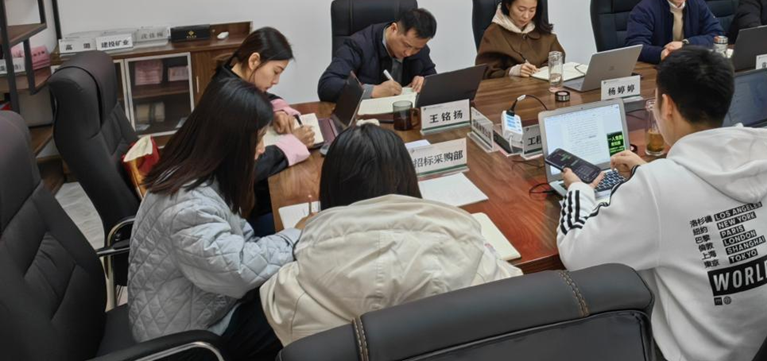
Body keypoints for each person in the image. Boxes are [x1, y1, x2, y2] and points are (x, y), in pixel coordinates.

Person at [556, 47, 767, 361]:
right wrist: (647, 174)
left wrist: (578, 190)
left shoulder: (658, 186)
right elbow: (695, 191)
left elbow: (577, 253)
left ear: (667, 106)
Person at [260, 124, 521, 345]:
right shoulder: (472, 253)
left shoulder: (291, 286)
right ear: (408, 177)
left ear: (330, 187)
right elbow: (515, 298)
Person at [129, 77, 308, 361]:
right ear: (230, 143)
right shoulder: (187, 204)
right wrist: (294, 236)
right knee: (303, 309)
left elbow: (236, 239)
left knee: (293, 284)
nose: (262, 149)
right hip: (187, 342)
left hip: (200, 306)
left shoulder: (195, 171)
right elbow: (237, 271)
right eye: (258, 139)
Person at [216, 27, 313, 234]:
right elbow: (247, 169)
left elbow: (266, 97)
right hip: (246, 212)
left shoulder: (231, 78)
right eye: (275, 72)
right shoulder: (231, 101)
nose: (276, 81)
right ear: (254, 61)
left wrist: (279, 111)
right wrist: (293, 144)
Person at [317, 8, 438, 102]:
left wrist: (426, 83)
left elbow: (436, 82)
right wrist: (372, 91)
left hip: (405, 117)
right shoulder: (359, 44)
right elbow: (327, 86)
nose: (409, 53)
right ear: (394, 28)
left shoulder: (419, 48)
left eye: (417, 48)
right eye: (406, 45)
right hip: (365, 120)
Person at [625, 0, 724, 64]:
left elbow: (717, 35)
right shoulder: (645, 9)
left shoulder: (697, 3)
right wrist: (662, 53)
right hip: (659, 66)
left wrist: (686, 44)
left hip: (692, 63)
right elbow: (635, 46)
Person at [476, 0, 565, 78]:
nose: (526, 16)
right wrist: (512, 72)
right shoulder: (494, 33)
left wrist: (544, 70)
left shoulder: (540, 27)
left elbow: (558, 57)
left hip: (544, 84)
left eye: (532, 10)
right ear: (508, 5)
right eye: (521, 9)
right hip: (512, 86)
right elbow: (485, 73)